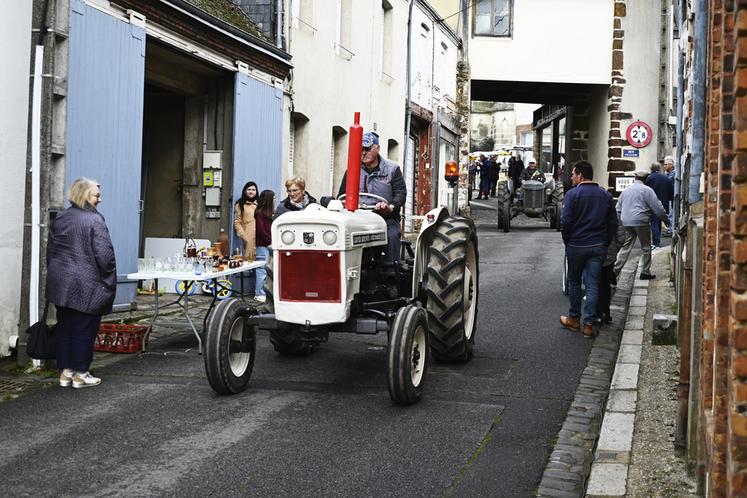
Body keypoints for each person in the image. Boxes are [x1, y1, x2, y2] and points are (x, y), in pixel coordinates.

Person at [46, 178, 116, 388]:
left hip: (60, 283)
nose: (100, 199)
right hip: (86, 283)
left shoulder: (61, 218)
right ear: (86, 196)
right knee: (84, 328)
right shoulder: (94, 220)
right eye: (96, 195)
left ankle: (66, 372)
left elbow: (51, 251)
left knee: (66, 327)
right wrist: (107, 280)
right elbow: (105, 256)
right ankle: (81, 374)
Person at [559, 161, 617, 338]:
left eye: (573, 174)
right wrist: (604, 242)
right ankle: (589, 324)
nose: (571, 177)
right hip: (598, 246)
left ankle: (575, 319)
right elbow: (613, 223)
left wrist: (567, 240)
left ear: (580, 175)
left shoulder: (572, 195)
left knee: (575, 282)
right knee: (593, 285)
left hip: (576, 244)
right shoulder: (605, 196)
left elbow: (566, 221)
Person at [338, 131, 407, 262]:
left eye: (368, 149)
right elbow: (342, 195)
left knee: (392, 235)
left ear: (377, 148)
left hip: (385, 218)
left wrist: (390, 207)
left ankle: (390, 274)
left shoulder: (392, 169)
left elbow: (400, 194)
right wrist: (342, 202)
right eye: (361, 149)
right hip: (358, 219)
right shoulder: (352, 169)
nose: (364, 153)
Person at [613, 171, 670, 280]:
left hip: (626, 221)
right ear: (646, 179)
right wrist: (665, 220)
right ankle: (645, 272)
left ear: (635, 178)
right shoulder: (647, 190)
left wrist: (620, 222)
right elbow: (657, 208)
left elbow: (618, 209)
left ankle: (615, 271)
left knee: (626, 247)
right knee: (646, 247)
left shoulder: (626, 191)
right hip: (641, 221)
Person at [597, 215, 627, 324]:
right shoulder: (611, 211)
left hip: (592, 249)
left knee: (593, 284)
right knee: (605, 283)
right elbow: (621, 237)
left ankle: (596, 314)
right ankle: (605, 313)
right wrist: (615, 249)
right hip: (609, 251)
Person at [646, 162, 674, 248]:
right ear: (659, 169)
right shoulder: (666, 178)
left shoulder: (649, 178)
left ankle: (656, 243)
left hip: (652, 203)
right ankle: (656, 241)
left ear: (651, 169)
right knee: (657, 222)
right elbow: (671, 192)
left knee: (654, 222)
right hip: (663, 204)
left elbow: (646, 191)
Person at [254, 189, 275, 303]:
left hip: (268, 244)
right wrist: (269, 240)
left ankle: (264, 292)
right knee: (261, 269)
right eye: (273, 197)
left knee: (267, 270)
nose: (275, 200)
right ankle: (259, 293)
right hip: (263, 245)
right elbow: (261, 230)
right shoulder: (260, 213)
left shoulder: (269, 212)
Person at [234, 181, 258, 260]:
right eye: (249, 189)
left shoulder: (260, 204)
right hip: (248, 235)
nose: (251, 191)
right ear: (245, 191)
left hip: (260, 236)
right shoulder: (240, 205)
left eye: (253, 190)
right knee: (249, 259)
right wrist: (243, 235)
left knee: (260, 259)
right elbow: (237, 221)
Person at [663, 156, 676, 235]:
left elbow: (668, 182)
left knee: (671, 213)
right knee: (670, 213)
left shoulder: (673, 174)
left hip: (673, 196)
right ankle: (670, 228)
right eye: (664, 164)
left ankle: (671, 229)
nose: (664, 166)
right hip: (670, 196)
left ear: (671, 165)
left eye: (666, 164)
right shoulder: (668, 174)